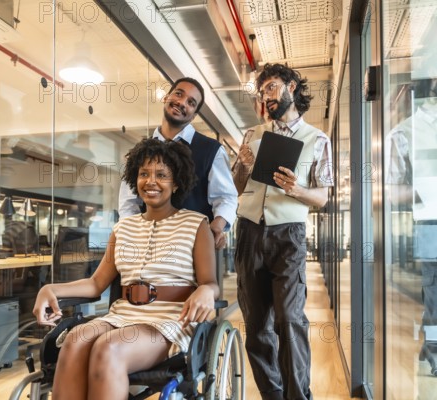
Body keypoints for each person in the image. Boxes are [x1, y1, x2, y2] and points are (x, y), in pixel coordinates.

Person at [33, 138, 219, 400]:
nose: (151, 181)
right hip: (121, 316)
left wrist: (206, 290)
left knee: (109, 348)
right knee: (75, 340)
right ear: (135, 178)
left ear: (176, 183)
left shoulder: (196, 224)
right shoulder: (123, 228)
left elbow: (210, 281)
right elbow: (97, 283)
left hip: (170, 321)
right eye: (144, 174)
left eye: (161, 175)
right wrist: (49, 288)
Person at [232, 63, 334, 400]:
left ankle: (298, 395)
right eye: (263, 92)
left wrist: (297, 190)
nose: (267, 96)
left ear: (291, 86)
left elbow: (323, 195)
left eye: (272, 87)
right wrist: (243, 169)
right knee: (257, 327)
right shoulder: (252, 135)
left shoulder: (317, 139)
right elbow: (234, 188)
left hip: (288, 235)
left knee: (289, 320)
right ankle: (272, 396)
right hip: (248, 232)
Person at [118, 77, 237, 249]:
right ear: (166, 97)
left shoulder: (212, 150)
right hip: (147, 245)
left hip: (194, 247)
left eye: (191, 102)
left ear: (194, 114)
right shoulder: (139, 152)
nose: (181, 103)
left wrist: (216, 227)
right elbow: (128, 203)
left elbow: (226, 197)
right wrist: (131, 236)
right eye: (178, 94)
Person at [385, 76, 437, 367]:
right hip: (431, 221)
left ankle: (431, 346)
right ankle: (435, 350)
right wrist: (430, 188)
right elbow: (393, 193)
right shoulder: (402, 133)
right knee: (435, 288)